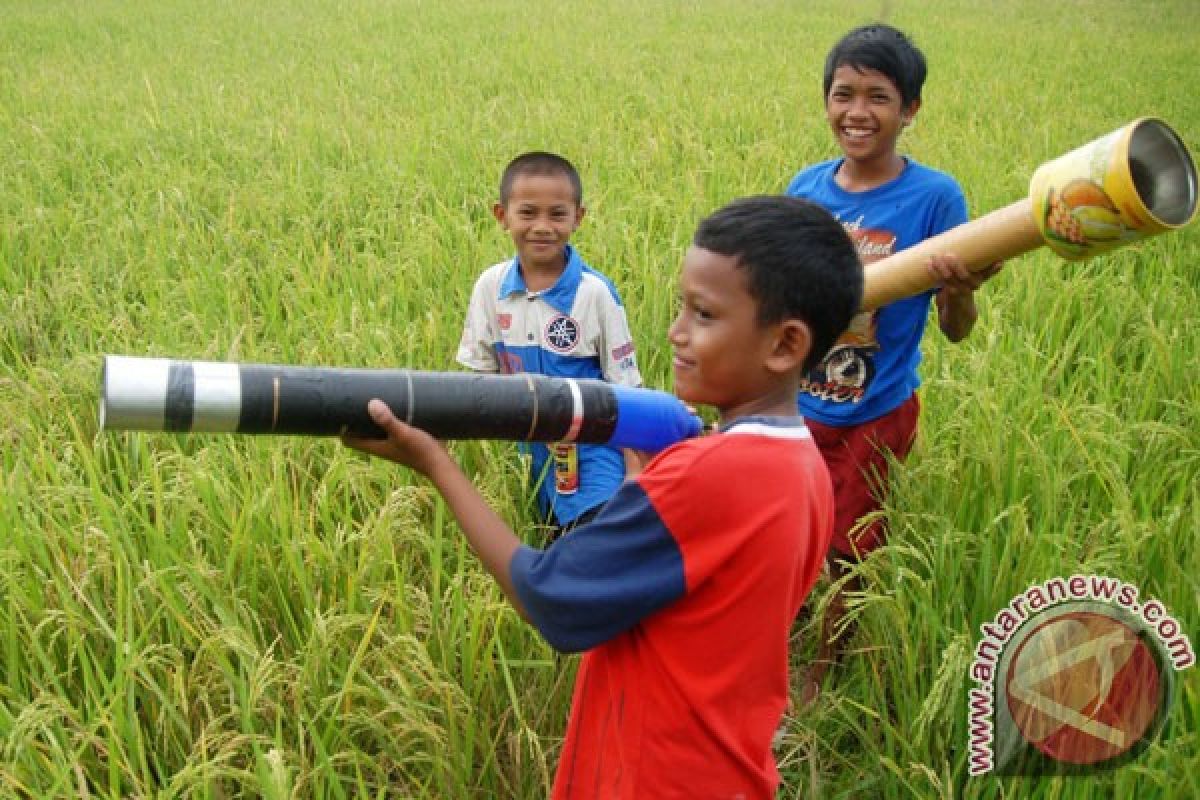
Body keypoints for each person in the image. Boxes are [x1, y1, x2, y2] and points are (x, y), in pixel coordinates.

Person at [345, 195, 863, 798]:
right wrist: (642, 490)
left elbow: (552, 598)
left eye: (703, 314)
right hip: (723, 771)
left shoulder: (710, 474)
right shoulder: (801, 465)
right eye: (681, 307)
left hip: (652, 777)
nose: (675, 332)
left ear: (784, 345)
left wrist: (436, 464)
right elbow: (692, 591)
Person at [784, 23, 1003, 703]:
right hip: (795, 405)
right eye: (843, 93)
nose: (857, 112)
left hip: (874, 411)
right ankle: (775, 631)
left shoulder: (937, 199)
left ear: (909, 109)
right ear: (825, 100)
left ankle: (824, 666)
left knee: (850, 546)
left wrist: (961, 289)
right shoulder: (807, 187)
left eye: (878, 97)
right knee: (787, 528)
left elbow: (957, 330)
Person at [456, 151, 642, 540]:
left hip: (592, 455)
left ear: (578, 217)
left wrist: (635, 474)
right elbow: (481, 381)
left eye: (557, 214)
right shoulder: (491, 287)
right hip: (527, 458)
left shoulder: (594, 295)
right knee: (541, 544)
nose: (542, 227)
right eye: (528, 213)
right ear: (501, 215)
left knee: (594, 549)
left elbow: (625, 390)